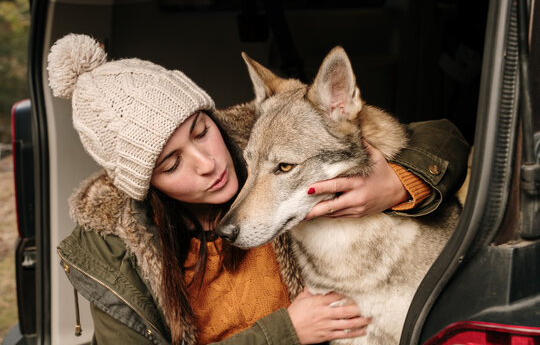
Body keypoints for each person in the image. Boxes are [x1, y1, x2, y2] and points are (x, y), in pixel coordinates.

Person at [49, 34, 470, 345]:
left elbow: (440, 137)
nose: (208, 163)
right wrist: (284, 333)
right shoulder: (113, 253)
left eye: (200, 131)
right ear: (145, 184)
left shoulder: (260, 132)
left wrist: (398, 182)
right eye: (172, 163)